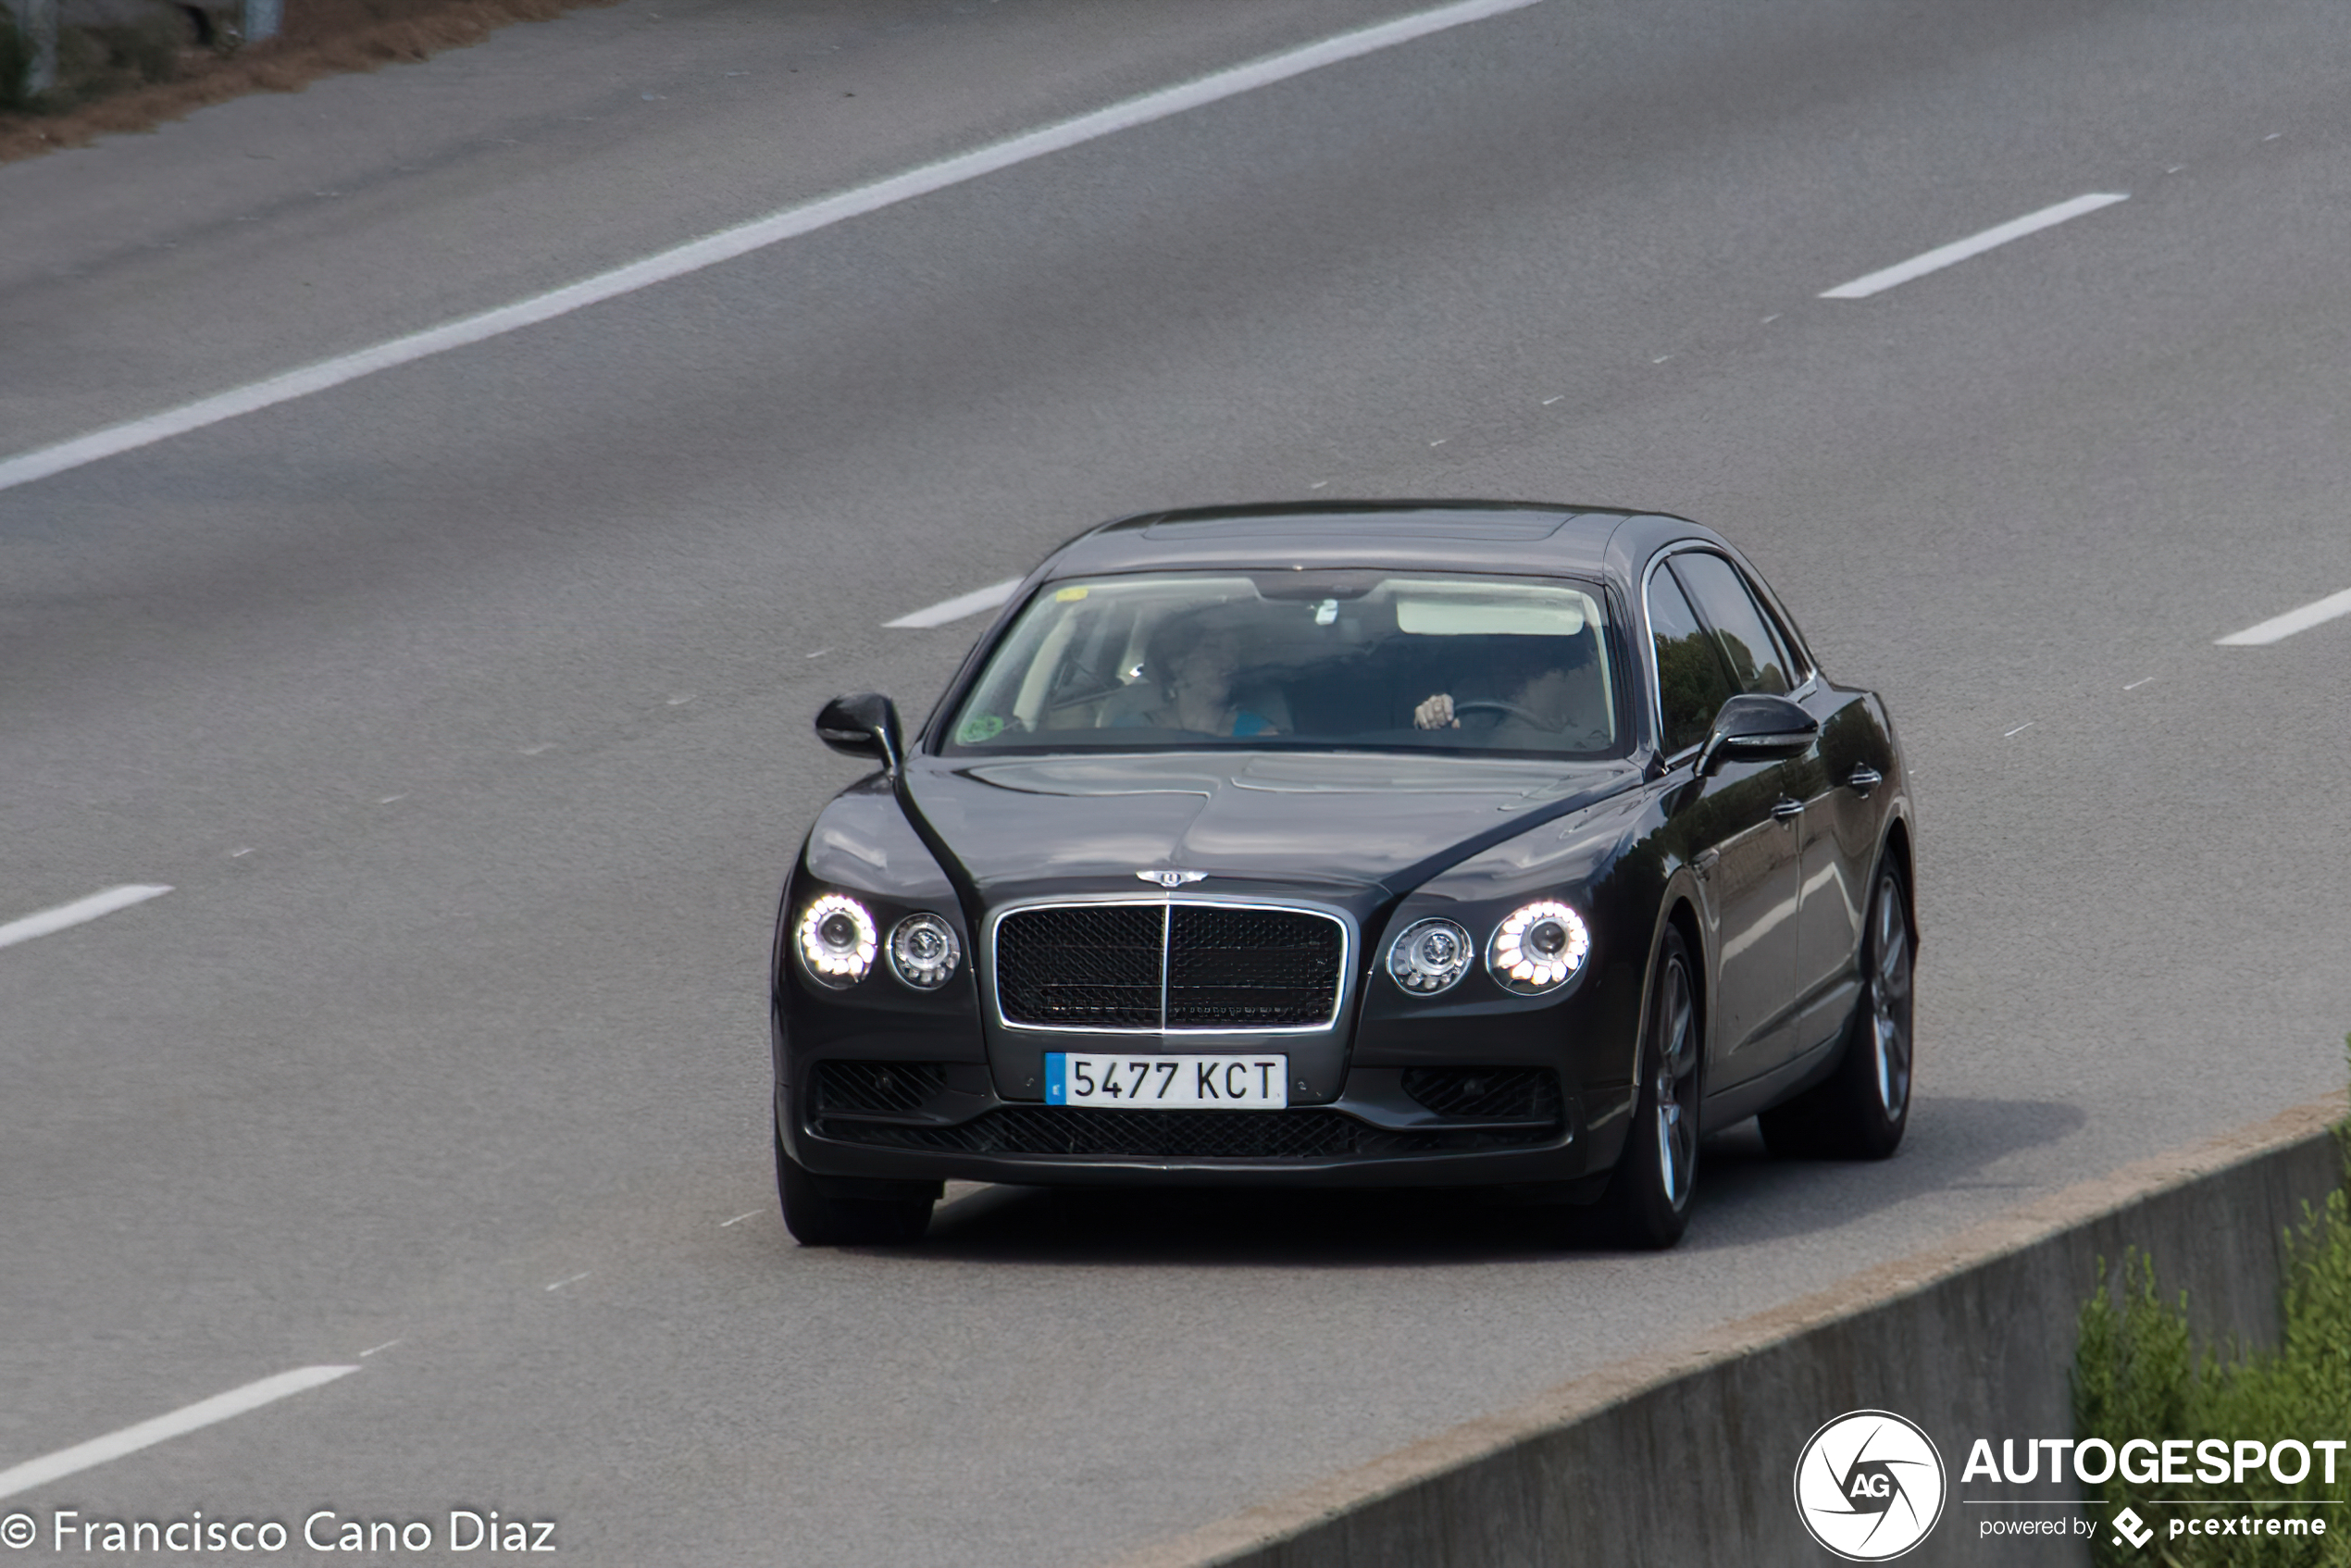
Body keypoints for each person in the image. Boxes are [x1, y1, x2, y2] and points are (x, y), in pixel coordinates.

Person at [1104, 609, 1285, 737]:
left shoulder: (1260, 734)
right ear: (1176, 663)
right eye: (1213, 649)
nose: (1228, 662)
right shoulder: (1128, 733)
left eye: (1234, 654)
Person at [1412, 635, 1607, 746]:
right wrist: (1432, 717)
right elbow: (1452, 743)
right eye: (1503, 656)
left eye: (1529, 657)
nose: (1513, 667)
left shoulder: (1591, 703)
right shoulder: (1473, 696)